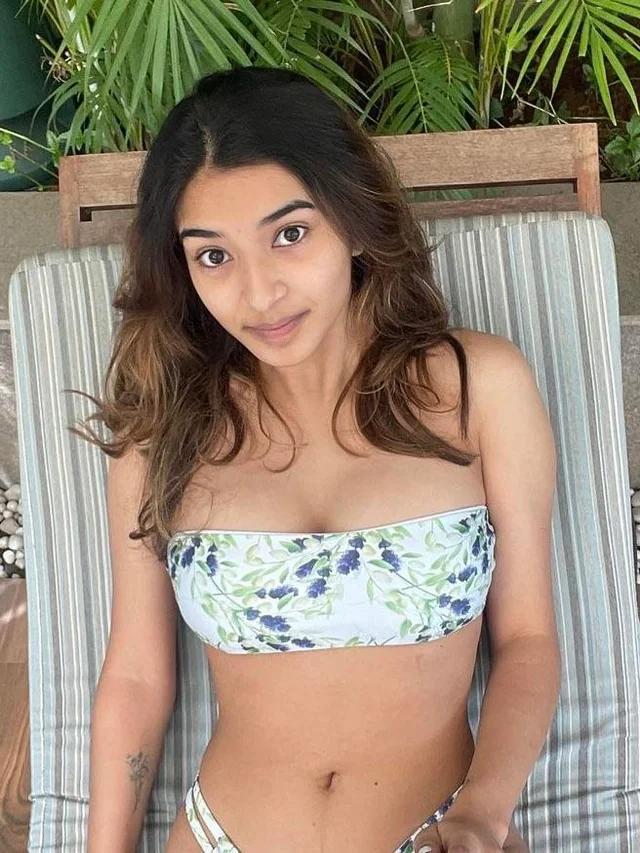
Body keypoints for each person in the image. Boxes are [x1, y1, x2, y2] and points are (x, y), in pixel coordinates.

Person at [83, 66, 560, 853]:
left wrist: (483, 811)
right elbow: (135, 676)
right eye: (214, 256)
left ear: (354, 219)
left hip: (442, 836)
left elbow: (529, 642)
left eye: (290, 234)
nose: (259, 292)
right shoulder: (164, 430)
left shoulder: (479, 388)